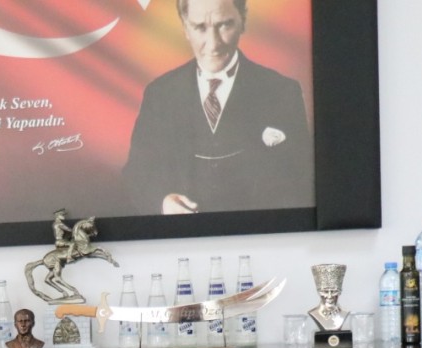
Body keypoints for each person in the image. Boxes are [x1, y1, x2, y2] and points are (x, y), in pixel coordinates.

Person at [122, 0, 314, 216]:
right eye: (200, 27)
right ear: (185, 27)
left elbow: (301, 177)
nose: (213, 44)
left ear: (243, 21)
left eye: (224, 25)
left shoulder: (282, 91)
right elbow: (137, 173)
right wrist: (163, 202)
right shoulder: (159, 94)